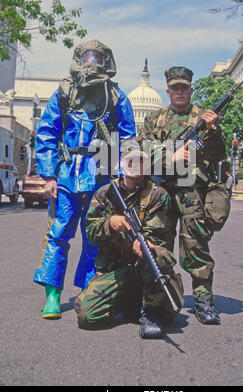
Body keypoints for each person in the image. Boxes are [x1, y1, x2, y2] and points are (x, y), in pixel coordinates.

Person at [33, 39, 136, 319]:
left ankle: (87, 290)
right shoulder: (64, 92)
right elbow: (46, 134)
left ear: (106, 61)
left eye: (97, 58)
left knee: (95, 238)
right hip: (67, 174)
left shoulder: (115, 96)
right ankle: (52, 295)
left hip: (101, 176)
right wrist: (48, 175)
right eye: (87, 57)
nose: (92, 63)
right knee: (58, 235)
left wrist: (123, 175)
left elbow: (127, 138)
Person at [139, 66, 226, 325]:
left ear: (190, 89)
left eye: (183, 87)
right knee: (156, 244)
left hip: (191, 192)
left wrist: (213, 131)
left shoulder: (204, 117)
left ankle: (203, 299)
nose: (179, 92)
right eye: (174, 88)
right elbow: (142, 152)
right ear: (168, 91)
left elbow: (219, 155)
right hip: (162, 192)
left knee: (195, 246)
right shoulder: (154, 120)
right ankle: (154, 300)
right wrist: (170, 156)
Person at [74, 138, 184, 339]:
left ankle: (150, 312)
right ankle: (127, 302)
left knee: (154, 256)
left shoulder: (158, 196)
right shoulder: (105, 193)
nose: (135, 165)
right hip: (116, 270)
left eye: (140, 161)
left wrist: (147, 244)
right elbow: (90, 232)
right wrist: (110, 223)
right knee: (86, 317)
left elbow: (161, 239)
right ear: (122, 163)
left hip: (145, 266)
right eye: (130, 160)